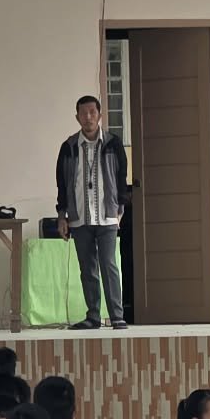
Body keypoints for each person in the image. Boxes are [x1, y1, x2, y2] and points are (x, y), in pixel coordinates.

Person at [55, 93, 129, 331]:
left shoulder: (112, 144)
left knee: (109, 265)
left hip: (107, 214)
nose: (88, 117)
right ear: (77, 117)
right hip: (79, 217)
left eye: (92, 112)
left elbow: (121, 177)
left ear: (99, 115)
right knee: (87, 268)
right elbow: (61, 184)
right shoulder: (68, 147)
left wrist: (121, 207)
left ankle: (117, 316)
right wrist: (61, 216)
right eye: (83, 113)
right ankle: (93, 316)